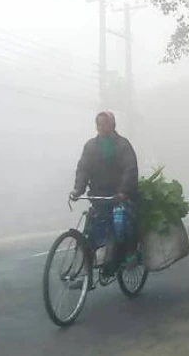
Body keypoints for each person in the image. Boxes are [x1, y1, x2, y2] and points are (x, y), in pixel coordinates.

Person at [70, 110, 139, 274]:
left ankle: (130, 253)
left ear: (113, 125)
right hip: (99, 195)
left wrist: (123, 191)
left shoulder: (122, 145)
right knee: (91, 231)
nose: (102, 127)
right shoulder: (90, 146)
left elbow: (130, 169)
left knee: (121, 223)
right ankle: (86, 273)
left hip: (118, 195)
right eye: (99, 124)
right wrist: (78, 189)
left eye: (105, 123)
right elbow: (83, 169)